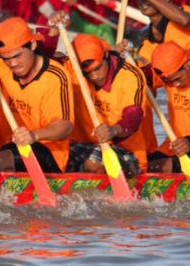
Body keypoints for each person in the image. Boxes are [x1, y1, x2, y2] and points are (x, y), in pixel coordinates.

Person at [0, 16, 74, 173]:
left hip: (47, 152)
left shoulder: (56, 76)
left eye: (17, 56)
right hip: (10, 147)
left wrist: (33, 135)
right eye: (7, 59)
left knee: (0, 161)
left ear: (33, 45)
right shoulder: (4, 67)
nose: (13, 64)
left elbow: (65, 127)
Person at [67, 32, 156, 176]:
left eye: (97, 69)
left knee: (93, 162)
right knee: (54, 157)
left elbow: (132, 117)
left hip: (126, 151)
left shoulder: (131, 76)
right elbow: (43, 60)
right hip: (86, 145)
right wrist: (52, 33)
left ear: (107, 56)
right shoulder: (74, 69)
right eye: (88, 73)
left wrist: (113, 130)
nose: (95, 77)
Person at [148, 41, 190, 172]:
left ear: (188, 64)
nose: (176, 84)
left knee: (156, 168)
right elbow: (140, 75)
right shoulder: (170, 72)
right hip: (173, 146)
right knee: (141, 164)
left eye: (178, 78)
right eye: (170, 81)